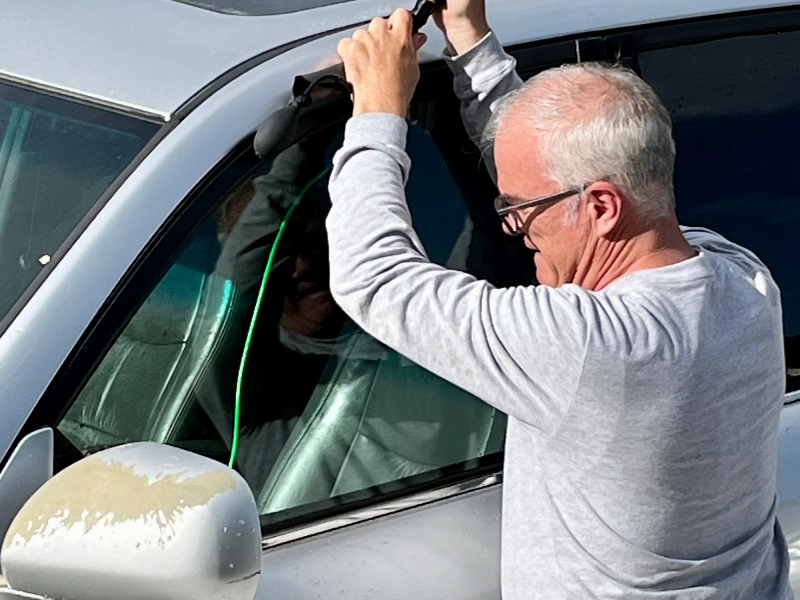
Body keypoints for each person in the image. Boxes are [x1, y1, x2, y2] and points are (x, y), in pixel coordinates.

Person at [326, 1, 792, 598]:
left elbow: (374, 276)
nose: (509, 227)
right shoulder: (745, 280)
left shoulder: (589, 347)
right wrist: (470, 42)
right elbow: (568, 178)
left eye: (518, 210)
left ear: (601, 206)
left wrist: (376, 111)